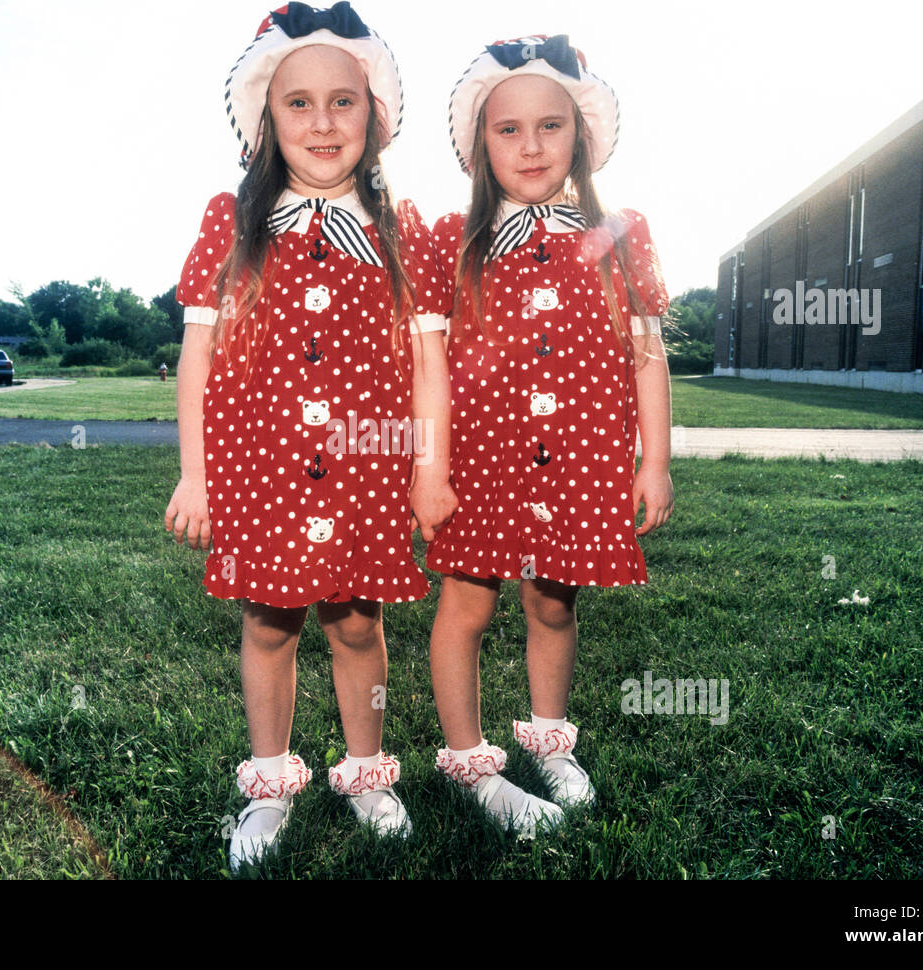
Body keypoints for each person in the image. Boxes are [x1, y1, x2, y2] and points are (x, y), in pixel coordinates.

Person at [164, 2, 456, 871]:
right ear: (266, 117)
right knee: (267, 625)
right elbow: (197, 360)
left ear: (376, 116)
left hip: (368, 470)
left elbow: (430, 367)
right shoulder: (232, 221)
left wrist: (429, 469)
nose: (323, 122)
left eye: (344, 102)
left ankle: (367, 772)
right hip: (261, 468)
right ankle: (270, 780)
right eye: (299, 103)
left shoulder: (402, 230)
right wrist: (196, 474)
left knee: (358, 626)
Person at [425, 34, 675, 832]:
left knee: (554, 605)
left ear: (583, 136)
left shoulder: (616, 235)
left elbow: (646, 358)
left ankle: (549, 740)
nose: (531, 146)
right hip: (484, 460)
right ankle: (470, 761)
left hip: (579, 459)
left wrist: (655, 463)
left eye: (550, 126)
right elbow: (428, 368)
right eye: (508, 129)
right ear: (479, 143)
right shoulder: (454, 242)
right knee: (466, 606)